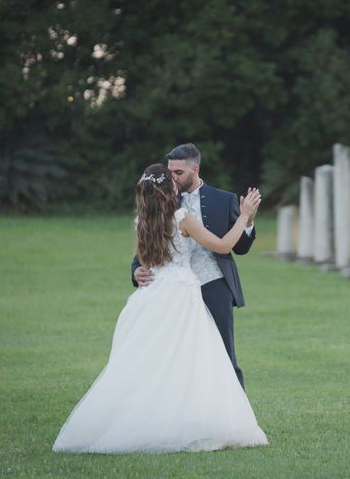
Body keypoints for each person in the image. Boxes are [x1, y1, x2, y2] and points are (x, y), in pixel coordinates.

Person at [53, 164, 267, 453]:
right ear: (171, 188)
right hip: (181, 297)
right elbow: (222, 245)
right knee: (193, 361)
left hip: (152, 299)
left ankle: (150, 421)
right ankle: (190, 423)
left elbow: (147, 260)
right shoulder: (182, 218)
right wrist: (244, 216)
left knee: (154, 363)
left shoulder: (141, 221)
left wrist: (140, 271)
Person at [132, 143, 254, 388]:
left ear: (195, 169)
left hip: (213, 284)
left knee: (223, 354)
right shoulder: (161, 199)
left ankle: (235, 413)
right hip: (172, 291)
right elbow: (147, 248)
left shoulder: (224, 199)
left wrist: (247, 221)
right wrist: (136, 270)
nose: (172, 178)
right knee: (175, 357)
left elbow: (239, 247)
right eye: (170, 172)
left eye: (178, 173)